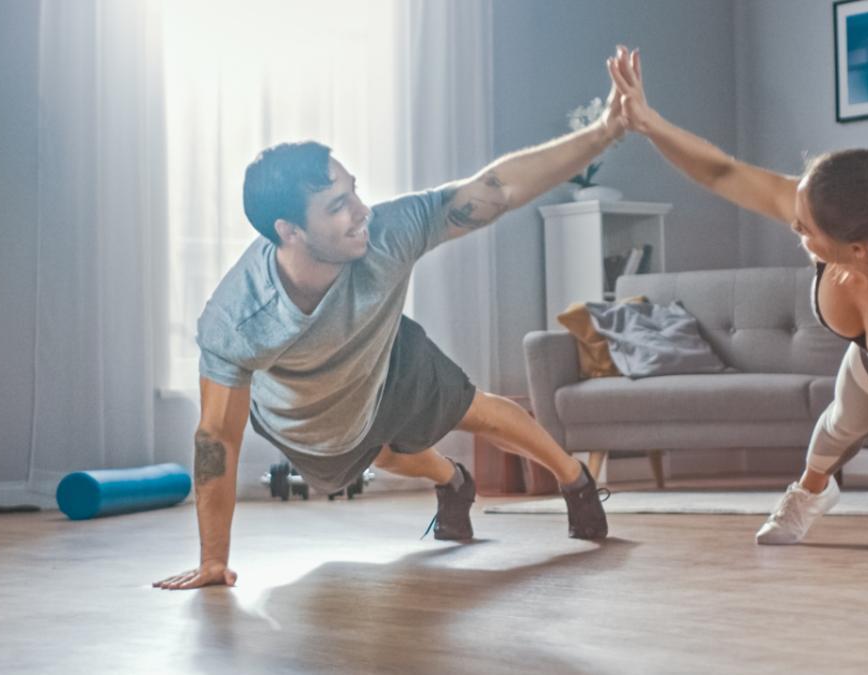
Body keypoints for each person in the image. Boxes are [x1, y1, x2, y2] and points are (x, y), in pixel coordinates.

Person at [154, 73, 628, 591]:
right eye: (338, 206)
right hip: (313, 418)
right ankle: (454, 480)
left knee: (473, 410)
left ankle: (574, 480)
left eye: (353, 192)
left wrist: (602, 133)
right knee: (382, 452)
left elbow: (498, 188)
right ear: (288, 231)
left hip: (388, 354)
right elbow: (217, 436)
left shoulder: (386, 232)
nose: (362, 212)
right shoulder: (237, 317)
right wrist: (213, 560)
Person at [607, 47, 868, 591]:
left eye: (806, 229)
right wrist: (649, 123)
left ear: (857, 248)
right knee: (838, 425)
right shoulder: (835, 216)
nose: (796, 231)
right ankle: (810, 492)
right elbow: (723, 173)